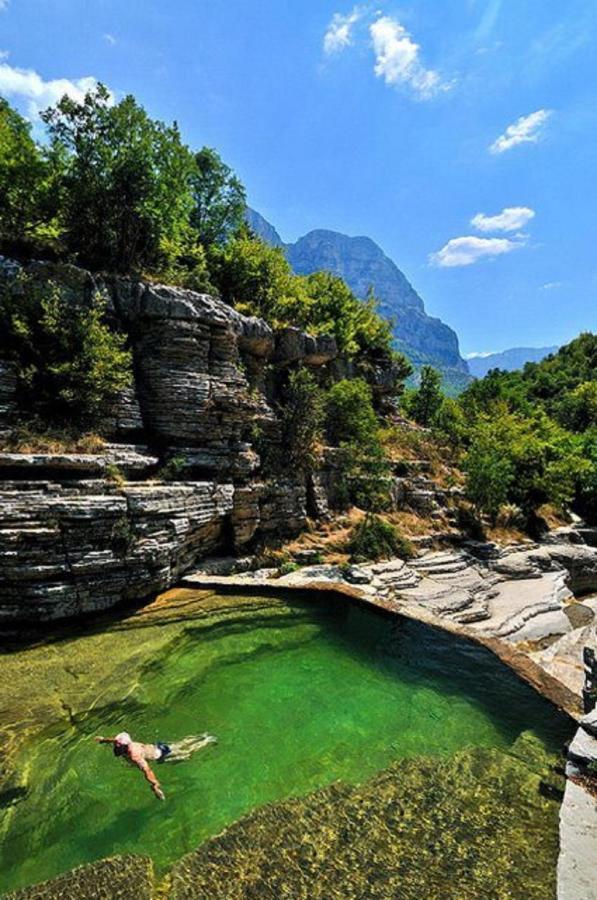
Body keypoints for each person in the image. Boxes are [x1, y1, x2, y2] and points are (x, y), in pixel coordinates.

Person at [95, 731, 216, 800]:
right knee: (179, 744)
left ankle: (205, 742)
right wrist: (103, 740)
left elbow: (147, 770)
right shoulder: (124, 742)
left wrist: (155, 784)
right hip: (157, 746)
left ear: (124, 750)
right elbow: (115, 741)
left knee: (187, 754)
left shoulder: (134, 755)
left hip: (162, 755)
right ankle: (202, 736)